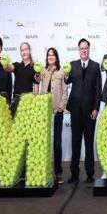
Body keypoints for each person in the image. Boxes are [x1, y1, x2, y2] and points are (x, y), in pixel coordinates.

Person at [64, 38, 102, 184]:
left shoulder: (95, 66)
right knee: (75, 143)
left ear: (89, 49)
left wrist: (96, 108)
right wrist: (66, 75)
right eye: (81, 48)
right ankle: (74, 173)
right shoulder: (73, 65)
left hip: (90, 113)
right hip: (75, 112)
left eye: (86, 48)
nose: (84, 50)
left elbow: (98, 89)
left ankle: (90, 173)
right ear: (79, 50)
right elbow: (67, 81)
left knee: (89, 143)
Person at [36, 47, 67, 185]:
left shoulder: (62, 71)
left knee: (57, 143)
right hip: (44, 111)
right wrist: (37, 72)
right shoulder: (43, 71)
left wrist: (61, 106)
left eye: (53, 55)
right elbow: (37, 80)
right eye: (49, 55)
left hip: (57, 111)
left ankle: (58, 173)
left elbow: (65, 91)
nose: (50, 57)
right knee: (44, 142)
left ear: (56, 57)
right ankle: (44, 171)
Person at [9, 42, 37, 115]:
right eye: (22, 50)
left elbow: (36, 85)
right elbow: (9, 68)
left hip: (28, 101)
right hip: (16, 100)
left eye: (26, 49)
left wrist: (35, 102)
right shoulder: (17, 65)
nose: (24, 52)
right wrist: (5, 64)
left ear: (29, 51)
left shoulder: (35, 67)